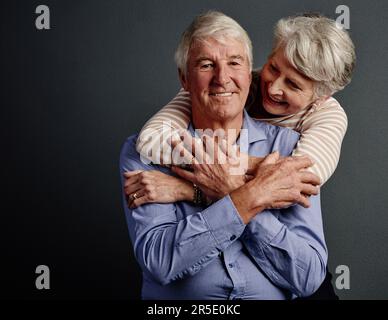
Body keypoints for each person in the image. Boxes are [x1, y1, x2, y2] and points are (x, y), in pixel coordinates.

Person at [120, 11, 327, 300]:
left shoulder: (290, 150)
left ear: (249, 72)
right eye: (206, 65)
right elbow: (160, 262)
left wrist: (221, 191)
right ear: (184, 78)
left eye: (234, 62)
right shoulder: (146, 152)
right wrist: (250, 197)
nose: (222, 78)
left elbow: (309, 277)